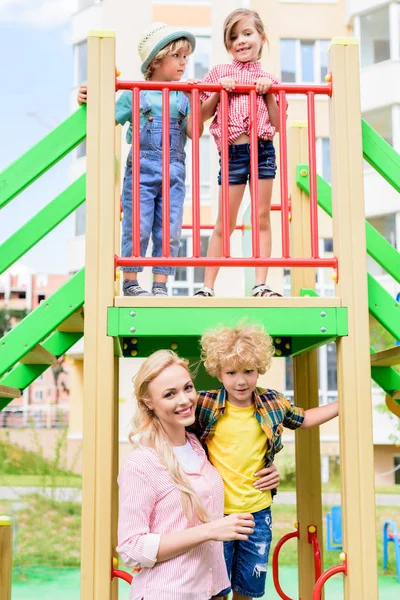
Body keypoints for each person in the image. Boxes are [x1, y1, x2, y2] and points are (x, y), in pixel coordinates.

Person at [190, 322, 339, 600]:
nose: (241, 381)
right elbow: (177, 429)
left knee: (247, 589)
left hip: (256, 513)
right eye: (231, 373)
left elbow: (304, 419)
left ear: (259, 368)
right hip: (216, 514)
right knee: (215, 590)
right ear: (218, 372)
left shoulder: (272, 402)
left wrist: (343, 403)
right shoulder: (205, 404)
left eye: (249, 371)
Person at [117, 349, 257, 600]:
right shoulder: (142, 463)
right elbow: (132, 548)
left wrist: (268, 469)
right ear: (149, 403)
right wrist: (209, 531)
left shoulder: (197, 445)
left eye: (188, 388)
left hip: (211, 592)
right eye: (170, 394)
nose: (184, 400)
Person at [78, 23, 203, 297]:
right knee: (138, 225)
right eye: (177, 56)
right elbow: (102, 117)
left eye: (186, 57)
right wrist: (89, 97)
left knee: (169, 229)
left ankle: (160, 285)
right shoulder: (135, 93)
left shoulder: (183, 96)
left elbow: (195, 132)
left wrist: (196, 101)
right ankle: (131, 283)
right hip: (142, 173)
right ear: (157, 59)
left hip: (174, 173)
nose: (184, 63)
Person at [195, 8, 286, 298]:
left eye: (247, 34)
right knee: (226, 221)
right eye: (233, 37)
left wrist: (268, 92)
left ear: (262, 37)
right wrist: (220, 92)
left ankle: (260, 283)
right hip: (234, 152)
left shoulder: (268, 78)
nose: (241, 42)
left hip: (262, 150)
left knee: (261, 216)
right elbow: (201, 115)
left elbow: (277, 123)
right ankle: (207, 286)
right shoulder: (219, 73)